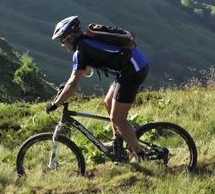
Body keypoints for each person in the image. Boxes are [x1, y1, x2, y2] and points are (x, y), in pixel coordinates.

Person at [46, 15, 150, 159]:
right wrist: (66, 86)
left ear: (70, 37)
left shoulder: (81, 51)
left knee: (117, 118)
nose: (62, 45)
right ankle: (118, 144)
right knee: (107, 102)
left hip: (133, 69)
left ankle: (140, 155)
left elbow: (73, 83)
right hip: (133, 65)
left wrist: (55, 104)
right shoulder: (85, 44)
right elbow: (80, 74)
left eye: (62, 41)